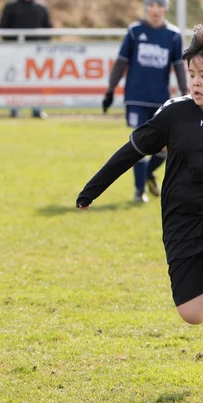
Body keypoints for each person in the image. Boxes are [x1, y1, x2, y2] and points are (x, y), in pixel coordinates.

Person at [77, 25, 203, 325]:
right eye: (193, 75)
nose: (196, 83)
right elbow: (131, 152)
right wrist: (91, 190)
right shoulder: (174, 114)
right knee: (191, 312)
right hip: (181, 219)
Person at [103, 0, 188, 203]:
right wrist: (110, 89)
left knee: (165, 148)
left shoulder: (174, 35)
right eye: (151, 5)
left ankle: (149, 172)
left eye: (160, 5)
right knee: (138, 145)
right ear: (146, 7)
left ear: (165, 9)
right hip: (136, 98)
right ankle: (139, 191)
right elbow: (121, 62)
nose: (155, 10)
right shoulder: (134, 31)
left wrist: (187, 93)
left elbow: (179, 66)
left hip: (160, 99)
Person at [0, 0, 52, 119]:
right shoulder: (11, 6)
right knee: (16, 80)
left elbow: (48, 29)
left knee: (37, 81)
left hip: (36, 51)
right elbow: (3, 28)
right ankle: (15, 109)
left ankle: (37, 109)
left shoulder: (41, 7)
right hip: (16, 50)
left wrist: (42, 46)